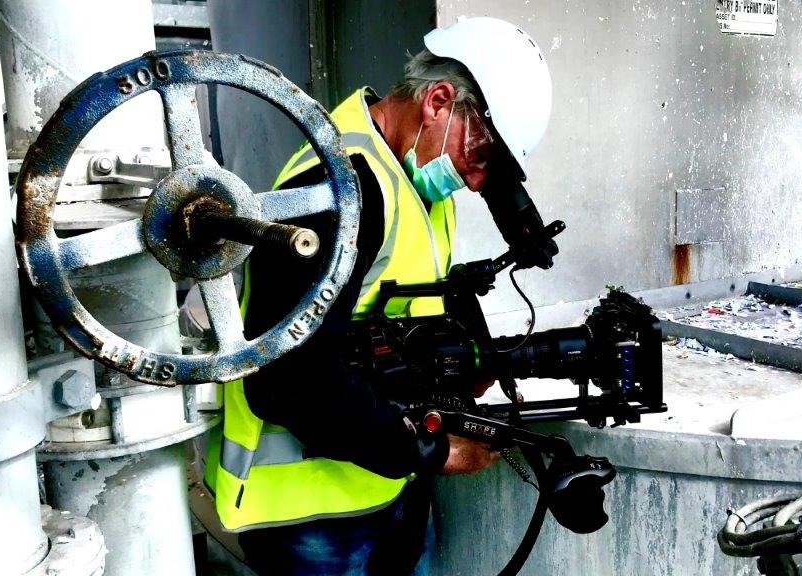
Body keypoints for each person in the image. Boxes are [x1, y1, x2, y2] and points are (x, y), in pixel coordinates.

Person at [204, 16, 552, 575]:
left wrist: (470, 364)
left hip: (383, 487)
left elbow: (398, 312)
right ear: (439, 101)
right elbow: (290, 379)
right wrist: (435, 453)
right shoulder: (337, 189)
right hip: (310, 520)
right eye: (482, 156)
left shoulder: (411, 185)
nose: (478, 181)